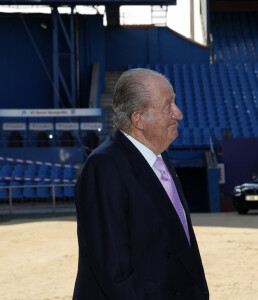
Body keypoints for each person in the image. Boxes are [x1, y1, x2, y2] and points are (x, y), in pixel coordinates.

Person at [73, 68, 209, 300]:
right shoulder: (105, 167)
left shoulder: (159, 157)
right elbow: (116, 273)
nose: (179, 113)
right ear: (138, 119)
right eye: (168, 106)